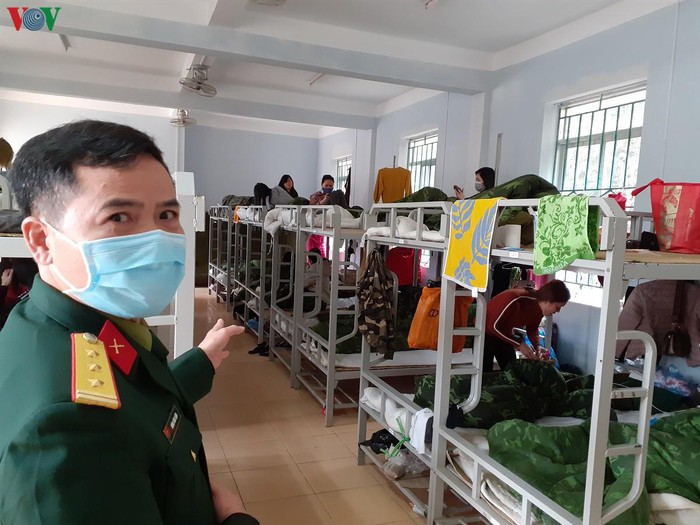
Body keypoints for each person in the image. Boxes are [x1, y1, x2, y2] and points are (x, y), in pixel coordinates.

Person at [0, 120, 259, 525]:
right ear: (41, 240)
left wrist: (199, 363)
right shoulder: (64, 430)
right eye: (119, 216)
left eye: (167, 213)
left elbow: (131, 397)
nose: (156, 239)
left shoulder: (62, 321)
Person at [483, 279, 570, 372]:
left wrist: (537, 347)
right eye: (558, 307)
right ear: (548, 301)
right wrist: (519, 344)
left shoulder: (539, 309)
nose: (558, 311)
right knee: (484, 372)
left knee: (512, 371)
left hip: (503, 334)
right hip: (484, 332)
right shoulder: (516, 298)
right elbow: (493, 326)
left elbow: (532, 329)